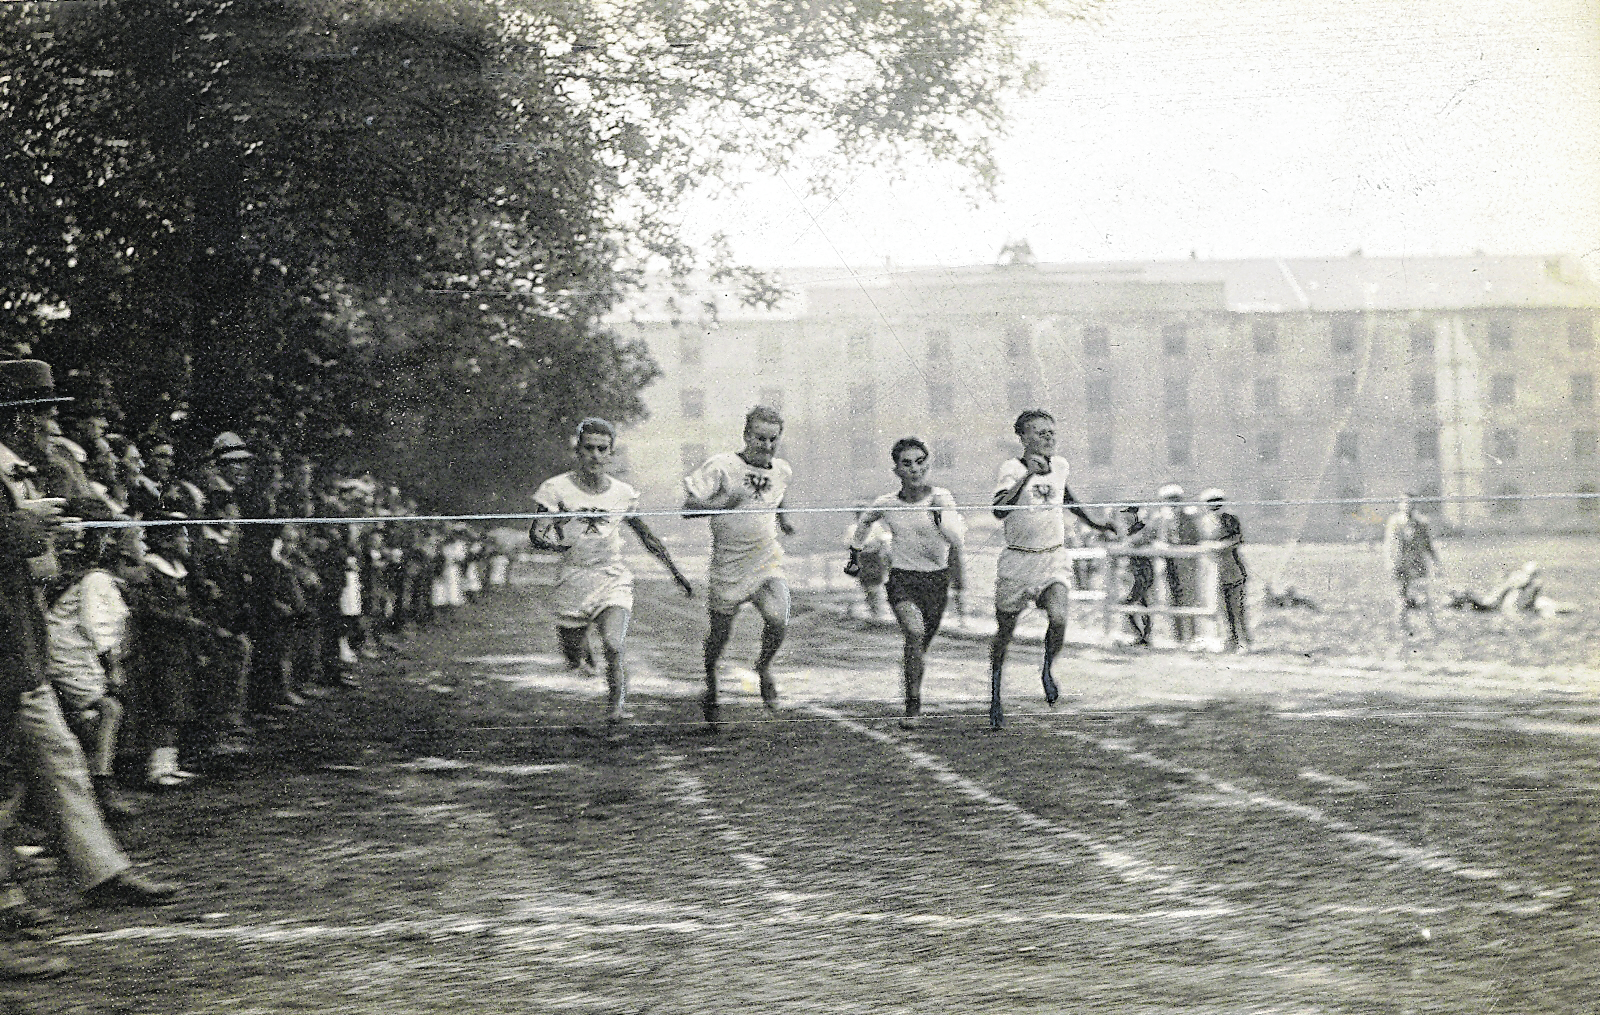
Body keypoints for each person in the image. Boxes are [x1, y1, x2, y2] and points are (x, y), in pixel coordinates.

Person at [0, 361, 179, 973]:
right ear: (18, 417)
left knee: (59, 762)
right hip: (6, 654)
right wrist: (26, 530)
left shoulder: (17, 472)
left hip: (21, 650)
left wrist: (53, 538)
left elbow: (36, 567)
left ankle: (101, 873)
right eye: (45, 413)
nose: (53, 425)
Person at [531, 418, 692, 734]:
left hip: (611, 577)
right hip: (573, 578)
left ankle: (616, 710)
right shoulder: (555, 489)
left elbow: (648, 537)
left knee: (614, 645)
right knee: (573, 658)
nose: (595, 455)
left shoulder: (623, 493)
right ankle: (581, 652)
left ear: (611, 454)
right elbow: (536, 534)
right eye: (588, 448)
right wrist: (554, 539)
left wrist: (675, 572)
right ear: (578, 451)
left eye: (602, 449)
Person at [988, 409, 1116, 729]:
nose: (1048, 437)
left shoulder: (1060, 466)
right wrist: (1027, 476)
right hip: (1017, 560)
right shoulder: (1010, 468)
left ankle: (1047, 668)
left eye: (1051, 432)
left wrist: (1095, 524)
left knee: (1059, 618)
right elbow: (999, 510)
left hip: (1052, 557)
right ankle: (995, 693)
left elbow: (1067, 498)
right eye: (1039, 432)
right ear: (1023, 437)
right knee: (1005, 632)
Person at [682, 406, 794, 725]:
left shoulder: (782, 470)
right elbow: (687, 508)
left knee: (779, 617)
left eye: (773, 439)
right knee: (720, 634)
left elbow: (776, 494)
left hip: (765, 559)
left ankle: (763, 667)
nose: (767, 446)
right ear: (746, 436)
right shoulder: (722, 466)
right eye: (760, 438)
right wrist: (721, 504)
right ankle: (711, 683)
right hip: (728, 565)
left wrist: (783, 520)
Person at [847, 438, 966, 728]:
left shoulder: (942, 497)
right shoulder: (887, 503)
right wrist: (854, 554)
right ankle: (912, 706)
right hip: (903, 579)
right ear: (897, 470)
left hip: (936, 581)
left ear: (927, 464)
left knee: (920, 645)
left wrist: (941, 517)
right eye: (907, 463)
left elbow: (957, 540)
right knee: (914, 632)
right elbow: (864, 522)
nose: (915, 469)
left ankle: (912, 686)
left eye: (920, 461)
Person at [1196, 488, 1250, 652]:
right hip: (1213, 569)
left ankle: (1243, 642)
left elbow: (1237, 539)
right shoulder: (1204, 521)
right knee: (1222, 609)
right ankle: (1229, 640)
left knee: (1236, 608)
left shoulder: (1230, 518)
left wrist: (1220, 546)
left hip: (1232, 569)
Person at [1383, 493, 1438, 636]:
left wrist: (1435, 562)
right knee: (1401, 598)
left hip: (1417, 565)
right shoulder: (1394, 522)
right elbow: (1390, 545)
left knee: (1423, 597)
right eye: (1404, 502)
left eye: (1410, 503)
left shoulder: (1421, 523)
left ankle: (1430, 628)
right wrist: (1390, 563)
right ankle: (1402, 629)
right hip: (1400, 565)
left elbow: (1428, 545)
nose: (1407, 505)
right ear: (1399, 504)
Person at [1152, 484, 1201, 644]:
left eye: (1174, 500)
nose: (1172, 504)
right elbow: (1160, 539)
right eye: (1168, 500)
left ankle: (1192, 636)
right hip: (1170, 564)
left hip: (1186, 565)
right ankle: (1178, 637)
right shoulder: (1163, 520)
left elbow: (1193, 540)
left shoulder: (1189, 518)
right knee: (1173, 599)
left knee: (1188, 600)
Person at [1113, 504, 1155, 646]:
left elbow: (1136, 542)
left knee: (1136, 602)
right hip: (1130, 572)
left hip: (1142, 571)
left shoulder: (1142, 528)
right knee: (1133, 603)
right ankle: (1140, 635)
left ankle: (1142, 636)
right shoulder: (1127, 531)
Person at [845, 506, 891, 620]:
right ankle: (873, 610)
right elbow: (847, 543)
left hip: (874, 556)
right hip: (861, 557)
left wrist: (883, 556)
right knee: (865, 584)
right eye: (858, 514)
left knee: (876, 584)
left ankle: (878, 611)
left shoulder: (875, 526)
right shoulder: (853, 528)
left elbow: (883, 541)